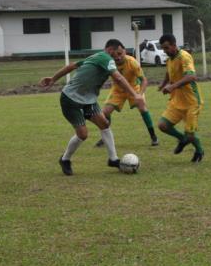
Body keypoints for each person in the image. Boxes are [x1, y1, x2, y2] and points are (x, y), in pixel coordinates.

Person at [39, 39, 144, 176]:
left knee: (104, 124)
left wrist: (53, 78)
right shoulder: (106, 58)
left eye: (121, 54)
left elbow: (71, 66)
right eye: (117, 53)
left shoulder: (96, 57)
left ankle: (113, 159)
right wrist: (135, 94)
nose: (118, 57)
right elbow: (118, 78)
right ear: (109, 50)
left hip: (88, 100)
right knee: (83, 134)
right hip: (70, 99)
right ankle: (65, 159)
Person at [94, 47, 159, 148]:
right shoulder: (109, 63)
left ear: (124, 51)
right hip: (118, 90)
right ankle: (104, 138)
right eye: (115, 56)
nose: (118, 57)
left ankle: (154, 137)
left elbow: (144, 80)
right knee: (105, 112)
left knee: (142, 108)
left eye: (120, 54)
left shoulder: (132, 62)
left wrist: (140, 95)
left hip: (133, 89)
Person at [157, 33, 205, 163]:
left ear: (174, 45)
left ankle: (199, 149)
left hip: (192, 102)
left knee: (190, 134)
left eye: (166, 48)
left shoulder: (184, 57)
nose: (165, 51)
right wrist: (163, 84)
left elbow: (192, 77)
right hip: (177, 100)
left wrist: (172, 87)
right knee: (162, 125)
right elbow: (168, 72)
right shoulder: (170, 59)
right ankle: (182, 139)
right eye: (163, 48)